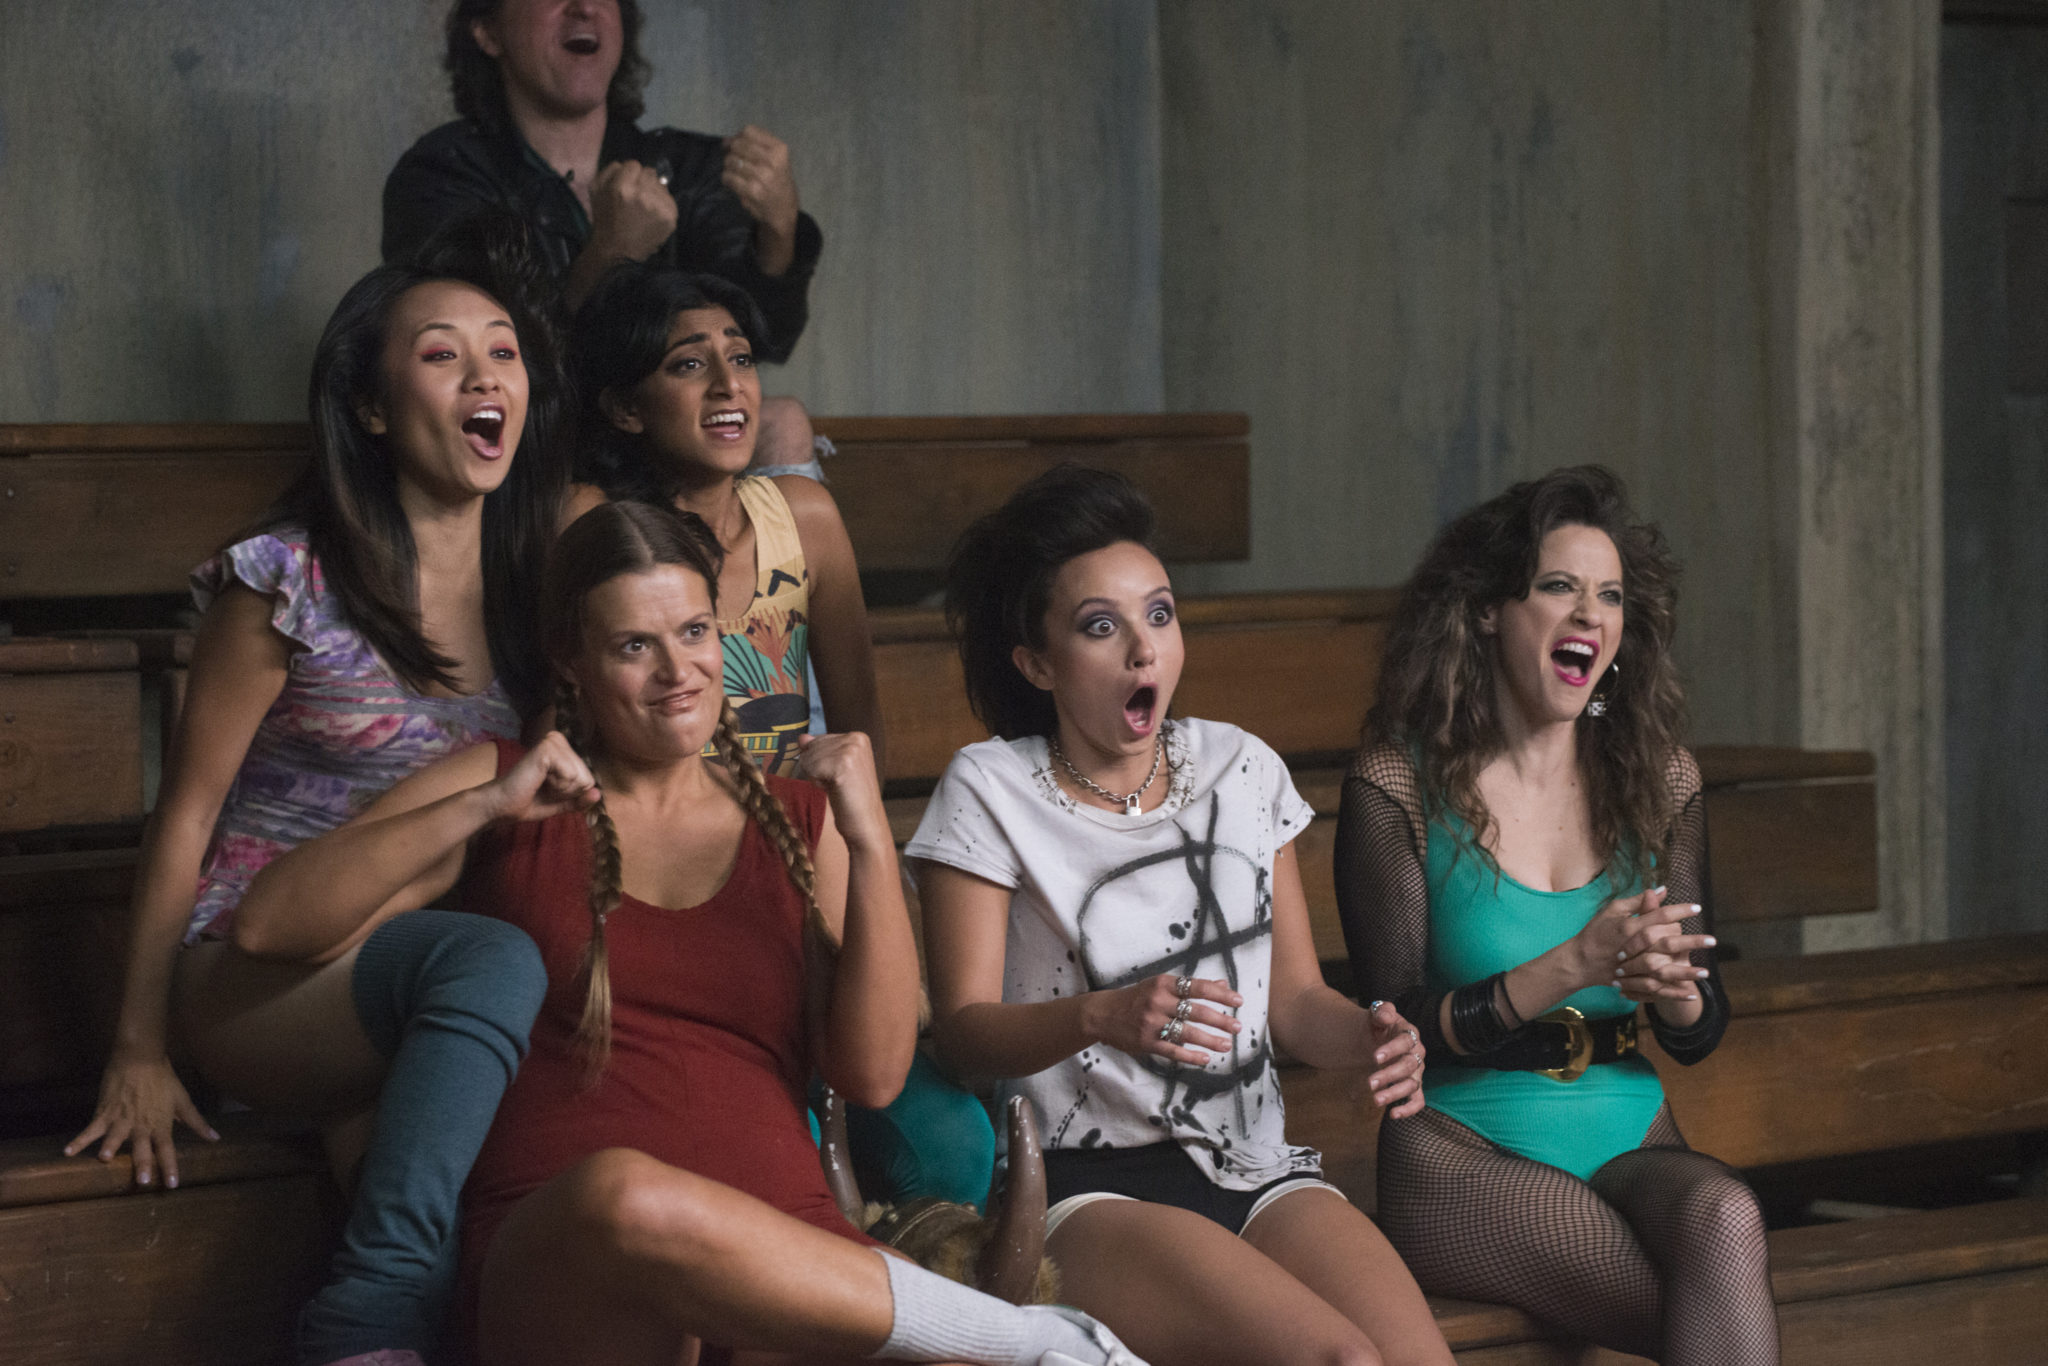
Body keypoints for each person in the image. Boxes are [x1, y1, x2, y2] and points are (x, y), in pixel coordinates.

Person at [230, 499, 1149, 1366]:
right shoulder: (511, 787)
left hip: (788, 1256)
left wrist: (870, 841)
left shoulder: (803, 820)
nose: (678, 672)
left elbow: (872, 1074)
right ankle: (1030, 1340)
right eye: (635, 645)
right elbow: (269, 924)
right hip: (567, 1268)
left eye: (695, 632)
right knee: (624, 1194)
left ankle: (1017, 1344)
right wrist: (482, 804)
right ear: (570, 661)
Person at [64, 224, 573, 1366]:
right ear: (374, 410)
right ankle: (363, 1320)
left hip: (414, 974)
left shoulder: (539, 589)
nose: (485, 375)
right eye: (442, 355)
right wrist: (139, 1043)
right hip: (256, 969)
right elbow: (185, 817)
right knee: (493, 966)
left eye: (503, 351)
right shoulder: (286, 582)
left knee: (497, 1225)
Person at [911, 465, 1455, 1366]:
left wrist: (1371, 1038)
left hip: (1256, 1166)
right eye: (1101, 626)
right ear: (1037, 663)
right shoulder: (990, 789)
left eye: (1159, 615)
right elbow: (964, 1035)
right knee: (1341, 1362)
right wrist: (1100, 1016)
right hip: (1085, 1188)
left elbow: (1295, 1005)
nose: (1143, 650)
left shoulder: (1243, 769)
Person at [568, 263, 999, 1209]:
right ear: (626, 407)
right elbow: (568, 719)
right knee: (777, 1158)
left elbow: (859, 725)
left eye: (741, 358)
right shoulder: (597, 525)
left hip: (809, 867)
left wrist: (854, 876)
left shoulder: (801, 515)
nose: (730, 385)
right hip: (673, 878)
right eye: (689, 365)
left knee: (957, 1151)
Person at [1333, 466, 1776, 1365]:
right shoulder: (1397, 783)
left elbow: (1697, 1032)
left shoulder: (1661, 781)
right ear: (1488, 611)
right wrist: (1574, 964)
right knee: (1707, 1307)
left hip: (1628, 1127)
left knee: (1727, 1215)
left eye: (1609, 596)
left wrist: (1674, 988)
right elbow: (1399, 1024)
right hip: (1461, 1150)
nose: (1590, 614)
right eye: (1559, 587)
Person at [384, 0, 823, 473]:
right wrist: (611, 252)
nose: (585, 7)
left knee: (783, 423)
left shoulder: (689, 167)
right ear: (489, 32)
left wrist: (779, 233)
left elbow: (767, 343)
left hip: (664, 446)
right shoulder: (440, 176)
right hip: (527, 455)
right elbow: (493, 373)